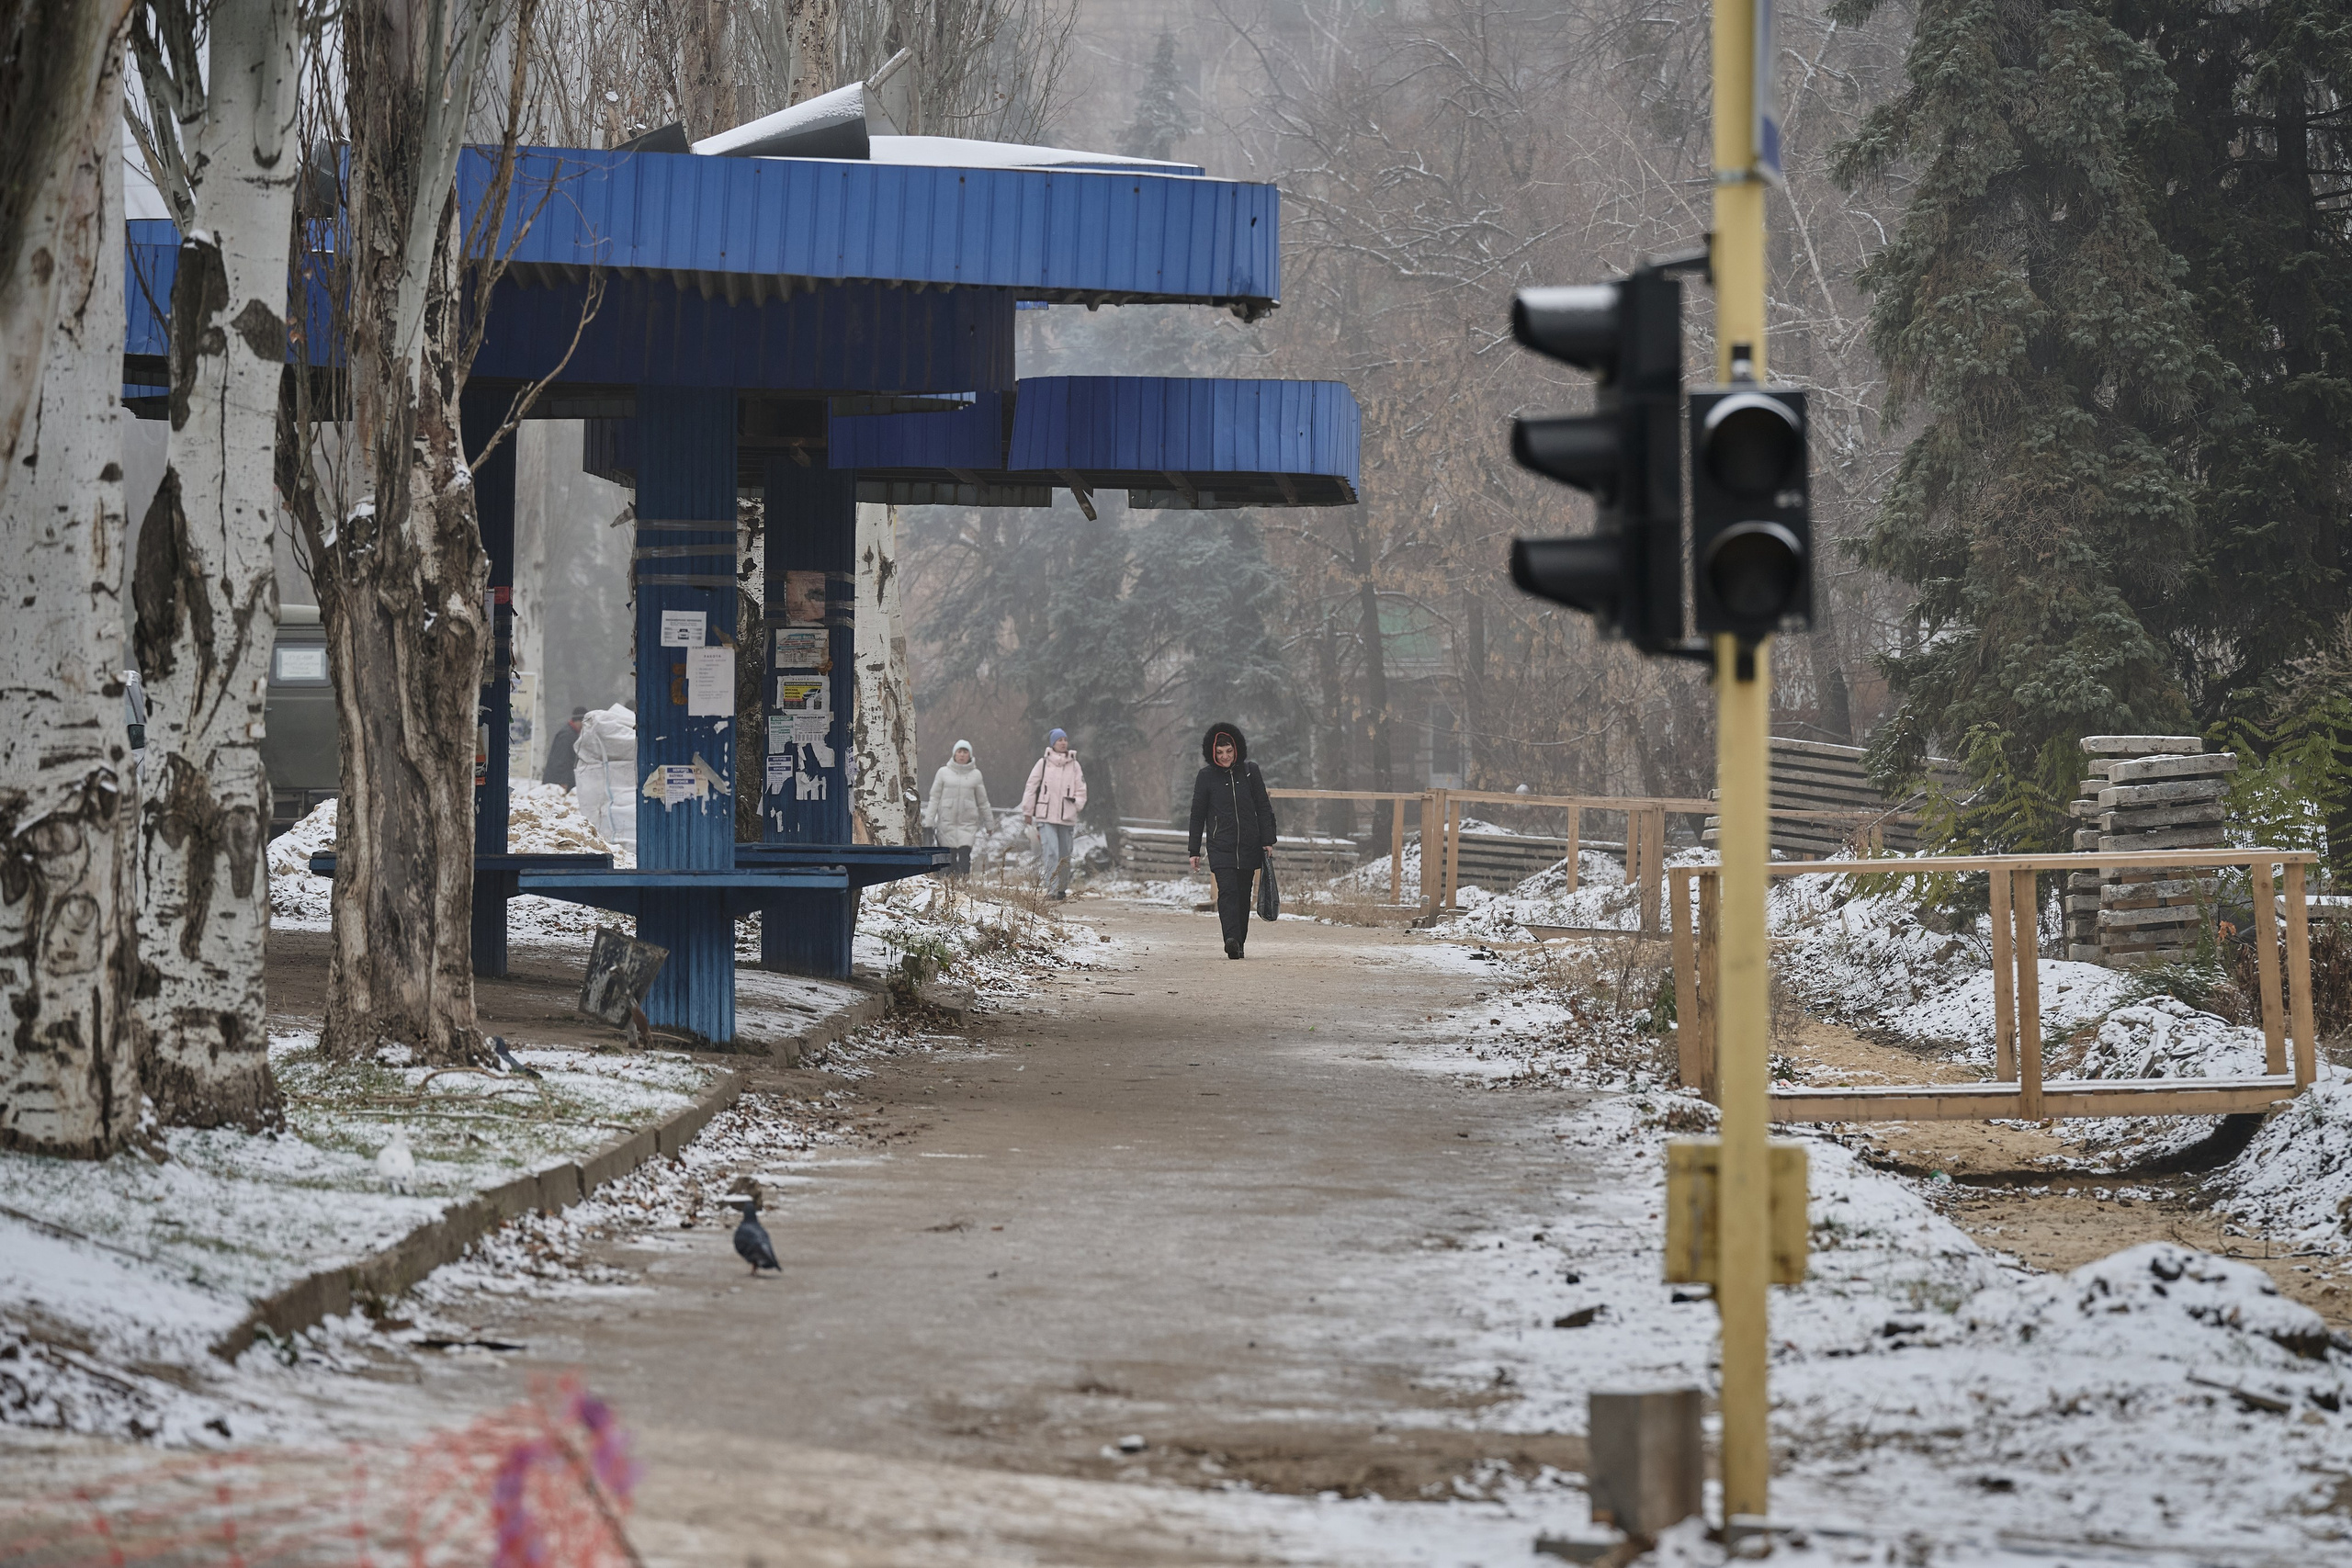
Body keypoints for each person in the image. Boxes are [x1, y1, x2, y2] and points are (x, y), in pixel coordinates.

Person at [1187, 721, 1276, 959]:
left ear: (1236, 749)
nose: (1225, 756)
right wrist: (1194, 850)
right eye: (1219, 752)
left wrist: (1268, 840)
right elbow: (1197, 815)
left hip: (1249, 844)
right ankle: (1231, 939)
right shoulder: (1206, 777)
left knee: (1243, 895)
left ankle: (1239, 943)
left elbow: (1263, 807)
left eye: (1228, 751)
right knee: (1227, 892)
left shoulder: (1250, 772)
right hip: (1220, 845)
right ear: (1212, 752)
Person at [1022, 728, 1088, 900]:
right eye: (1059, 740)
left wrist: (1077, 805)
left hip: (1067, 816)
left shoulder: (1074, 765)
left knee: (1065, 854)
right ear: (1053, 743)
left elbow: (1081, 789)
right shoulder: (1043, 763)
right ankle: (1051, 889)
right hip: (1046, 815)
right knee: (1051, 852)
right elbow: (1031, 787)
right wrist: (1028, 810)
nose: (1063, 743)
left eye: (1065, 739)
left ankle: (1061, 889)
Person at [923, 739, 992, 879]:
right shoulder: (943, 773)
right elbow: (934, 798)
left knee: (965, 856)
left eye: (965, 752)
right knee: (950, 859)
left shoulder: (976, 775)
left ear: (970, 755)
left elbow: (983, 801)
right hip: (946, 822)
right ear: (954, 754)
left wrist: (989, 824)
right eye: (959, 752)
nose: (962, 755)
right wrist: (929, 821)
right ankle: (951, 885)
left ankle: (964, 883)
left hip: (967, 823)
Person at [544, 706, 586, 788]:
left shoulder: (572, 734)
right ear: (578, 721)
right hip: (558, 782)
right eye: (582, 723)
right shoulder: (567, 736)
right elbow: (561, 759)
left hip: (564, 780)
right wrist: (563, 781)